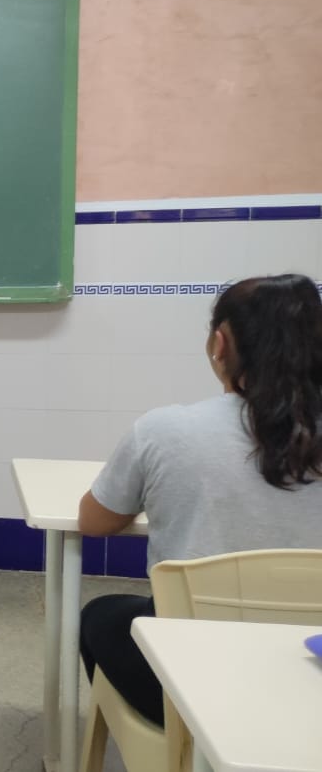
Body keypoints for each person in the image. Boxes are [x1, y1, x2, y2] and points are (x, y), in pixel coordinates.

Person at [77, 273, 322, 725]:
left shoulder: (165, 431)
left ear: (219, 344)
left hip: (192, 677)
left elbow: (93, 522)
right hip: (312, 682)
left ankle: (167, 745)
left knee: (99, 615)